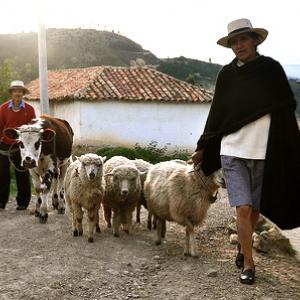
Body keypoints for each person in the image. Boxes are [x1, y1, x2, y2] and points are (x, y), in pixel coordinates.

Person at [192, 19, 300, 285]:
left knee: (254, 210)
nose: (238, 45)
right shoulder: (226, 76)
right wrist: (203, 146)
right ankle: (249, 264)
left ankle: (243, 246)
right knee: (243, 207)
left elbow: (285, 110)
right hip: (233, 151)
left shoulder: (271, 70)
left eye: (243, 39)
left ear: (254, 40)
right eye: (234, 42)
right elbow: (217, 114)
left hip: (265, 152)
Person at [0, 80, 36, 210]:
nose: (17, 93)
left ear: (23, 93)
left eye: (20, 91)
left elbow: (33, 129)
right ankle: (1, 201)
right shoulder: (3, 108)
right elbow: (0, 126)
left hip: (22, 147)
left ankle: (22, 202)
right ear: (11, 93)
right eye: (15, 91)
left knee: (22, 173)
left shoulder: (29, 109)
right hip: (5, 145)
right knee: (2, 174)